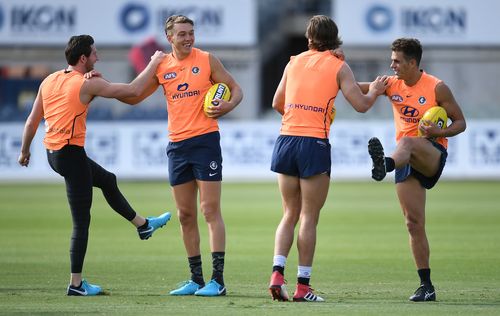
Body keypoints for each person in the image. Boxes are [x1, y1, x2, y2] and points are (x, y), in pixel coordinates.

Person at [18, 35, 171, 296]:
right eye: (95, 54)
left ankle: (143, 225)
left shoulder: (51, 80)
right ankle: (76, 285)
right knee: (81, 223)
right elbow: (133, 92)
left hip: (53, 153)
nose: (97, 57)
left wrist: (24, 152)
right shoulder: (86, 84)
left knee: (108, 180)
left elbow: (32, 121)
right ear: (83, 58)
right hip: (70, 155)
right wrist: (154, 63)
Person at [117, 15, 243, 297]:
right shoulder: (162, 66)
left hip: (206, 141)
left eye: (191, 33)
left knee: (209, 210)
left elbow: (237, 89)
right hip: (177, 146)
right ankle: (196, 280)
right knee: (185, 215)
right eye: (182, 34)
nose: (188, 38)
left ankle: (218, 281)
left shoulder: (207, 59)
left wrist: (227, 106)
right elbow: (133, 95)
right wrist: (98, 85)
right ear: (169, 37)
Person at [268, 15, 388, 302]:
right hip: (314, 143)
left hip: (285, 139)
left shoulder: (294, 61)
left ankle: (276, 273)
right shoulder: (339, 65)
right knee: (309, 217)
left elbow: (276, 103)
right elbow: (361, 105)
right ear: (335, 38)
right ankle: (302, 287)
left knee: (289, 214)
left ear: (309, 38)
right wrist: (374, 90)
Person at [363, 38, 466, 301]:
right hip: (405, 159)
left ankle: (383, 165)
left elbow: (461, 122)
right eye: (392, 60)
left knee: (407, 141)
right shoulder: (391, 85)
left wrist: (439, 132)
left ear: (412, 62)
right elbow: (354, 88)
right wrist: (338, 69)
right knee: (413, 223)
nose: (392, 65)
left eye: (397, 60)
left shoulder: (437, 87)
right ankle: (426, 286)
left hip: (431, 153)